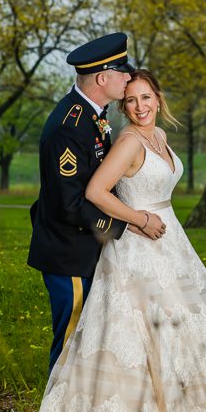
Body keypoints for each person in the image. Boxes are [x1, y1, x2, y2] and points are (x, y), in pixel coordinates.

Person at [23, 68, 206, 412]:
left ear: (158, 98)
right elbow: (95, 192)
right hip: (137, 244)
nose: (140, 107)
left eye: (146, 98)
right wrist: (137, 219)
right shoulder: (128, 142)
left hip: (171, 243)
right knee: (139, 333)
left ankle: (188, 408)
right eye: (131, 100)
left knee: (185, 328)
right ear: (124, 106)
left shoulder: (160, 136)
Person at [27, 35, 166, 374]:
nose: (127, 78)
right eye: (122, 73)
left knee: (90, 341)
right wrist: (127, 224)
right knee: (71, 343)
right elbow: (69, 204)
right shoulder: (69, 126)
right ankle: (55, 408)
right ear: (103, 78)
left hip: (85, 247)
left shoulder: (91, 115)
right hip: (69, 253)